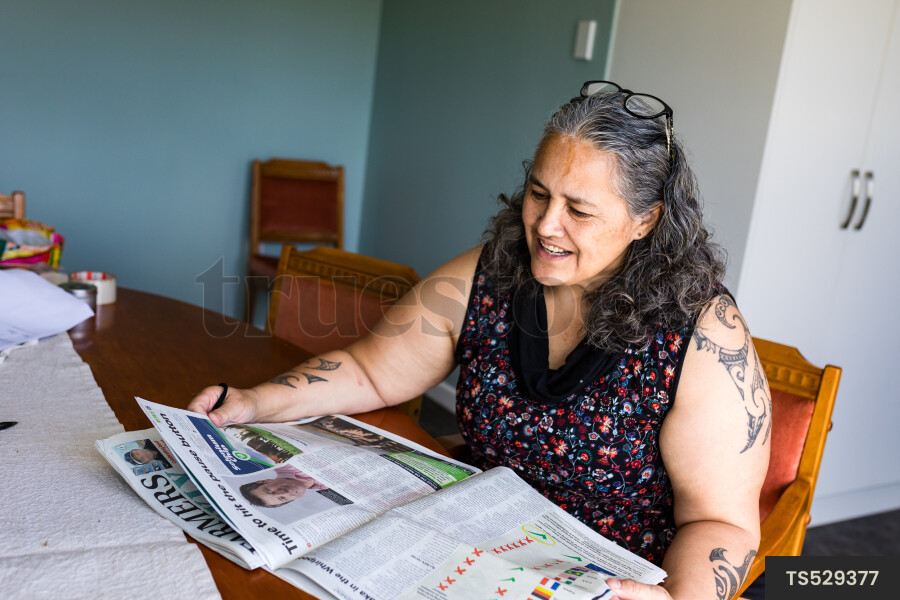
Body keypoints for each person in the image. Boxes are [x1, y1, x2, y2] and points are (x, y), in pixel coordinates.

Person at [190, 81, 770, 599]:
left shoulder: (700, 333)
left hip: (615, 581)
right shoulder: (491, 272)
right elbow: (372, 371)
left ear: (645, 220)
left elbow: (723, 525)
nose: (545, 225)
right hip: (477, 551)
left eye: (579, 210)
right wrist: (254, 402)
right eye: (539, 194)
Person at [239, 465, 327, 508]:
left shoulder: (283, 463)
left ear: (265, 481)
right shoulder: (327, 488)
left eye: (269, 491)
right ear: (294, 499)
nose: (284, 492)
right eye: (282, 498)